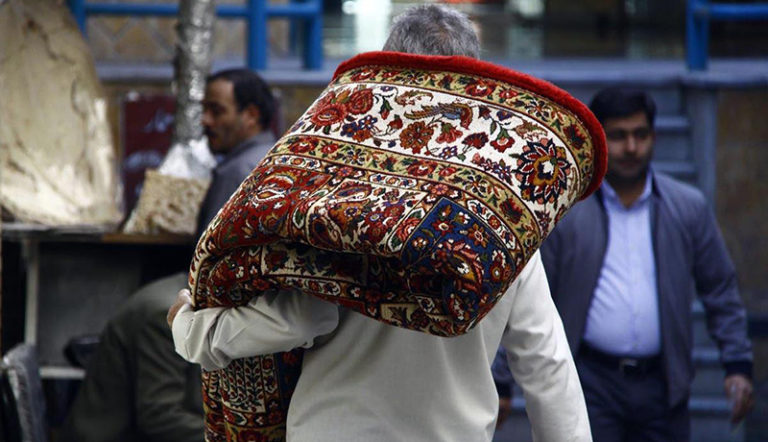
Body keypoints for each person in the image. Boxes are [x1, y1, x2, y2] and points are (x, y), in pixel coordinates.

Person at [169, 5, 592, 442]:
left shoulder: (338, 197)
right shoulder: (500, 226)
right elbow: (547, 365)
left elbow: (299, 320)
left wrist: (190, 328)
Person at [60, 68, 277, 442]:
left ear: (251, 115)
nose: (205, 121)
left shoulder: (242, 169)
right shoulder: (170, 313)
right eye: (204, 109)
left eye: (216, 110)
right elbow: (159, 419)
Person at [538, 87, 754, 441]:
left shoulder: (686, 207)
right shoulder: (569, 213)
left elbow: (720, 289)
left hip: (663, 385)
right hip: (590, 380)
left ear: (654, 136)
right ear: (599, 141)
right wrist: (503, 379)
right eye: (618, 136)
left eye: (640, 134)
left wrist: (738, 364)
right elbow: (534, 298)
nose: (631, 147)